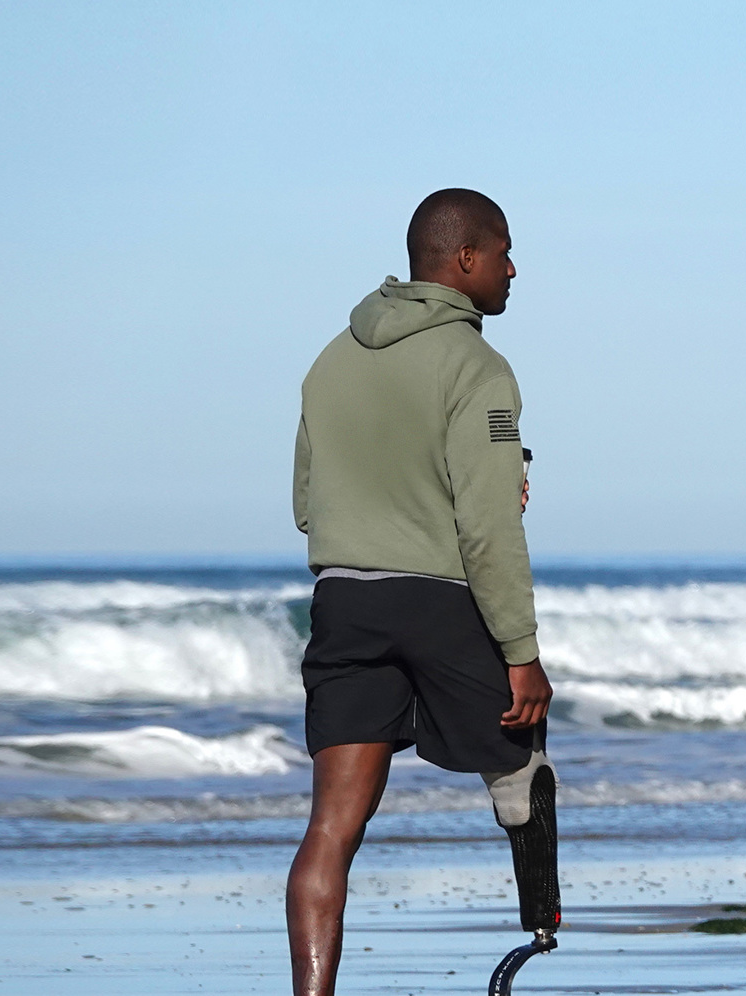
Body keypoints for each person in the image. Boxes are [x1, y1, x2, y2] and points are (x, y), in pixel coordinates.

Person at [287, 188, 558, 996]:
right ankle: (541, 930)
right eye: (504, 252)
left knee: (331, 827)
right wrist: (522, 653)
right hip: (439, 599)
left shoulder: (331, 358)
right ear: (464, 259)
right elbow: (488, 529)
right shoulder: (479, 367)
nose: (514, 269)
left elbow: (308, 504)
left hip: (343, 602)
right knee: (523, 762)